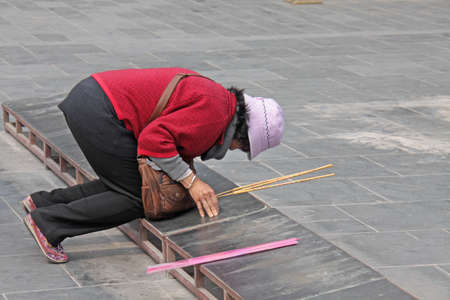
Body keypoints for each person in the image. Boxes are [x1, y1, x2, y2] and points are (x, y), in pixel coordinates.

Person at [22, 67, 284, 263]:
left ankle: (43, 202)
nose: (235, 150)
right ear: (242, 135)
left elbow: (178, 137)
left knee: (125, 181)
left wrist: (185, 174)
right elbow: (154, 140)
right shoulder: (214, 115)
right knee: (139, 197)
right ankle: (48, 223)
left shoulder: (220, 103)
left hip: (93, 99)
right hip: (101, 112)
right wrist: (192, 183)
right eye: (243, 147)